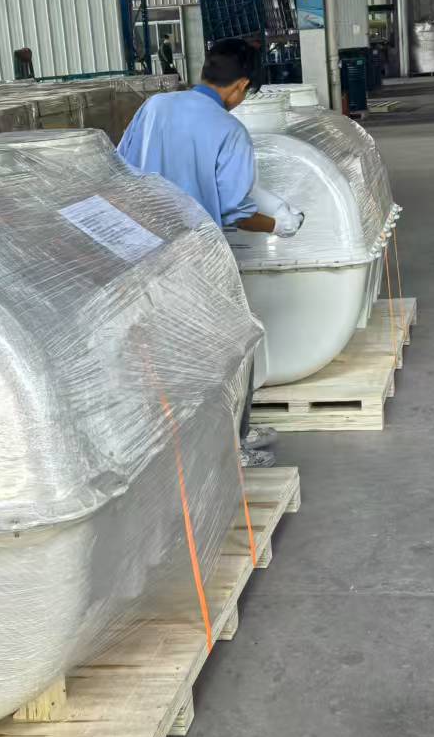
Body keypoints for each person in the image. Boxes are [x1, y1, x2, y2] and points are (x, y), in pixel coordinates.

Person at [117, 37, 302, 466]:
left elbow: (120, 168)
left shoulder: (154, 107)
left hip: (141, 254)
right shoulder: (229, 130)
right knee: (229, 348)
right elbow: (237, 211)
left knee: (167, 353)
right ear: (241, 86)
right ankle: (233, 448)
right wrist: (279, 225)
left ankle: (179, 444)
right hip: (195, 259)